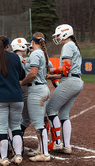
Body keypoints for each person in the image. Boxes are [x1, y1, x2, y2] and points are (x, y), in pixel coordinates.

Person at [0, 36, 25, 166]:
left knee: (1, 129)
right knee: (16, 127)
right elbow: (22, 75)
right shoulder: (15, 57)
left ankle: (4, 158)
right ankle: (18, 156)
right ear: (9, 46)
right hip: (16, 97)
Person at [46, 24, 84, 154]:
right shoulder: (73, 45)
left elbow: (65, 69)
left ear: (64, 33)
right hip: (76, 81)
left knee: (50, 109)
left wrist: (48, 70)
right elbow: (66, 72)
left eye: (58, 35)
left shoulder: (67, 45)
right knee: (63, 114)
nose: (56, 37)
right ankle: (66, 146)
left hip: (70, 82)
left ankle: (56, 143)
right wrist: (51, 76)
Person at [20, 32, 50, 162]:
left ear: (32, 42)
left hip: (36, 90)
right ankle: (41, 149)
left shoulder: (35, 53)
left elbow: (32, 74)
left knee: (38, 124)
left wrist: (21, 82)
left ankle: (45, 153)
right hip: (42, 88)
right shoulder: (41, 53)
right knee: (40, 122)